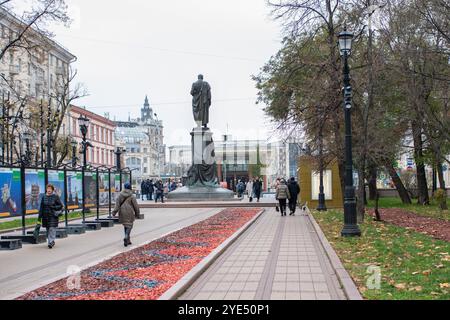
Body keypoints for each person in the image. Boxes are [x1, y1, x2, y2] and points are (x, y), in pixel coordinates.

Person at [112, 182, 140, 247]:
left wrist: (114, 212)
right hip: (129, 212)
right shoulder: (132, 196)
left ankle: (128, 240)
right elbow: (136, 206)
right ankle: (126, 236)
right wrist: (137, 213)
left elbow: (117, 205)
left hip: (122, 212)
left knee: (125, 224)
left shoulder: (120, 195)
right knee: (129, 225)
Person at [38, 184, 63, 249]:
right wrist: (39, 216)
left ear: (52, 190)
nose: (49, 190)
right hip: (45, 216)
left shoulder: (55, 196)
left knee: (52, 228)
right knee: (48, 229)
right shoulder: (44, 197)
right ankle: (51, 241)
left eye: (50, 189)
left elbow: (60, 206)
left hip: (53, 215)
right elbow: (41, 207)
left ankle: (51, 242)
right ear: (46, 189)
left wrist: (54, 207)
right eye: (48, 189)